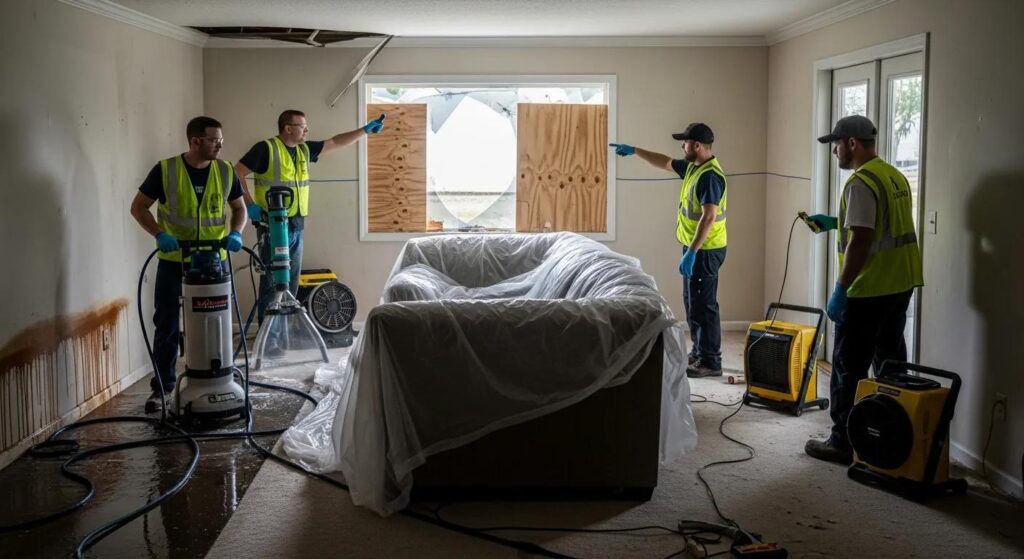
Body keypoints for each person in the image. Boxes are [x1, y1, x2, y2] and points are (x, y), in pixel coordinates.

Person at [803, 115, 923, 465]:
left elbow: (862, 239)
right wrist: (836, 222)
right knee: (890, 364)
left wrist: (841, 288)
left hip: (868, 289)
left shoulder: (860, 183)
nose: (835, 151)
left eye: (837, 144)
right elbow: (882, 224)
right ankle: (893, 433)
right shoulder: (893, 175)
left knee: (847, 366)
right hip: (899, 285)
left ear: (852, 144)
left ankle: (842, 441)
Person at [235, 110, 385, 355]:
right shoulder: (266, 149)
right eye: (302, 126)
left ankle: (281, 338)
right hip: (272, 225)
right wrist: (249, 204)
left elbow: (335, 142)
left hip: (296, 223)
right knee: (273, 283)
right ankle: (268, 342)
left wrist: (364, 131)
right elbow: (237, 171)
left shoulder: (303, 151)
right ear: (287, 128)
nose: (306, 130)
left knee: (291, 283)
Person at [130, 116, 248, 413]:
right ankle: (163, 388)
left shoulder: (224, 171)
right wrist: (159, 234)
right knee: (167, 325)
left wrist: (236, 232)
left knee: (217, 324)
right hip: (174, 261)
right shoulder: (166, 170)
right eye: (213, 140)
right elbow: (139, 206)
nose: (219, 144)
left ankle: (219, 380)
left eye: (220, 139)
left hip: (213, 262)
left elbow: (239, 208)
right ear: (195, 141)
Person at [610, 123, 728, 378]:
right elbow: (664, 162)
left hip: (705, 250)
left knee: (703, 305)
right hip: (696, 247)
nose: (681, 146)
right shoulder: (693, 169)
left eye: (684, 142)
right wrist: (635, 151)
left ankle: (710, 361)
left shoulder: (709, 176)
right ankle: (699, 353)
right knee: (693, 302)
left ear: (696, 145)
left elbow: (709, 217)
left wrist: (693, 251)